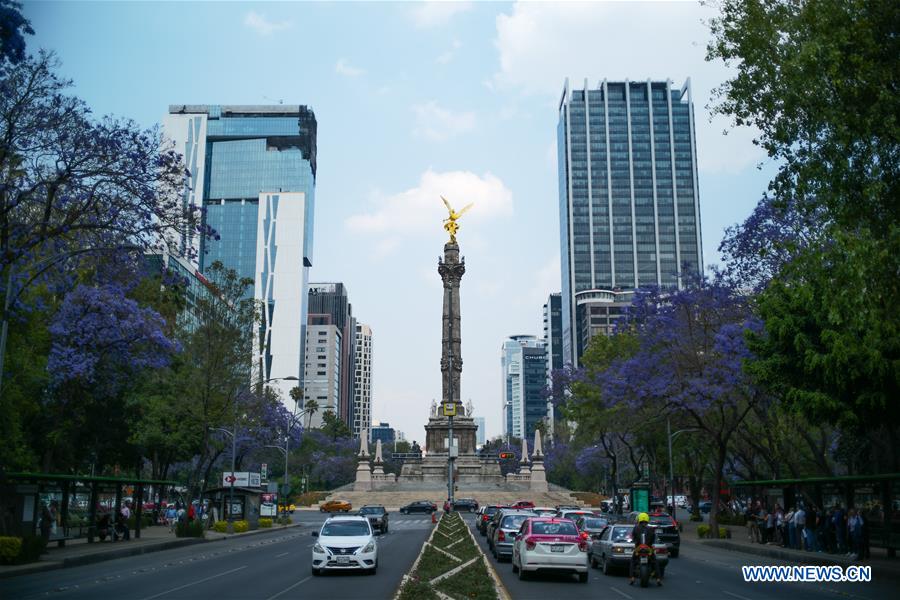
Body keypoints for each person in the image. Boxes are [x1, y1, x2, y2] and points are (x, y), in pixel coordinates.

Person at [629, 512, 662, 587]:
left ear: (639, 519)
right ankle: (658, 579)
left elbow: (633, 537)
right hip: (648, 548)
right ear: (647, 519)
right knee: (655, 562)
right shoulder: (651, 529)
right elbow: (653, 539)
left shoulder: (636, 528)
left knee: (633, 561)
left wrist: (635, 542)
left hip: (639, 548)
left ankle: (632, 578)